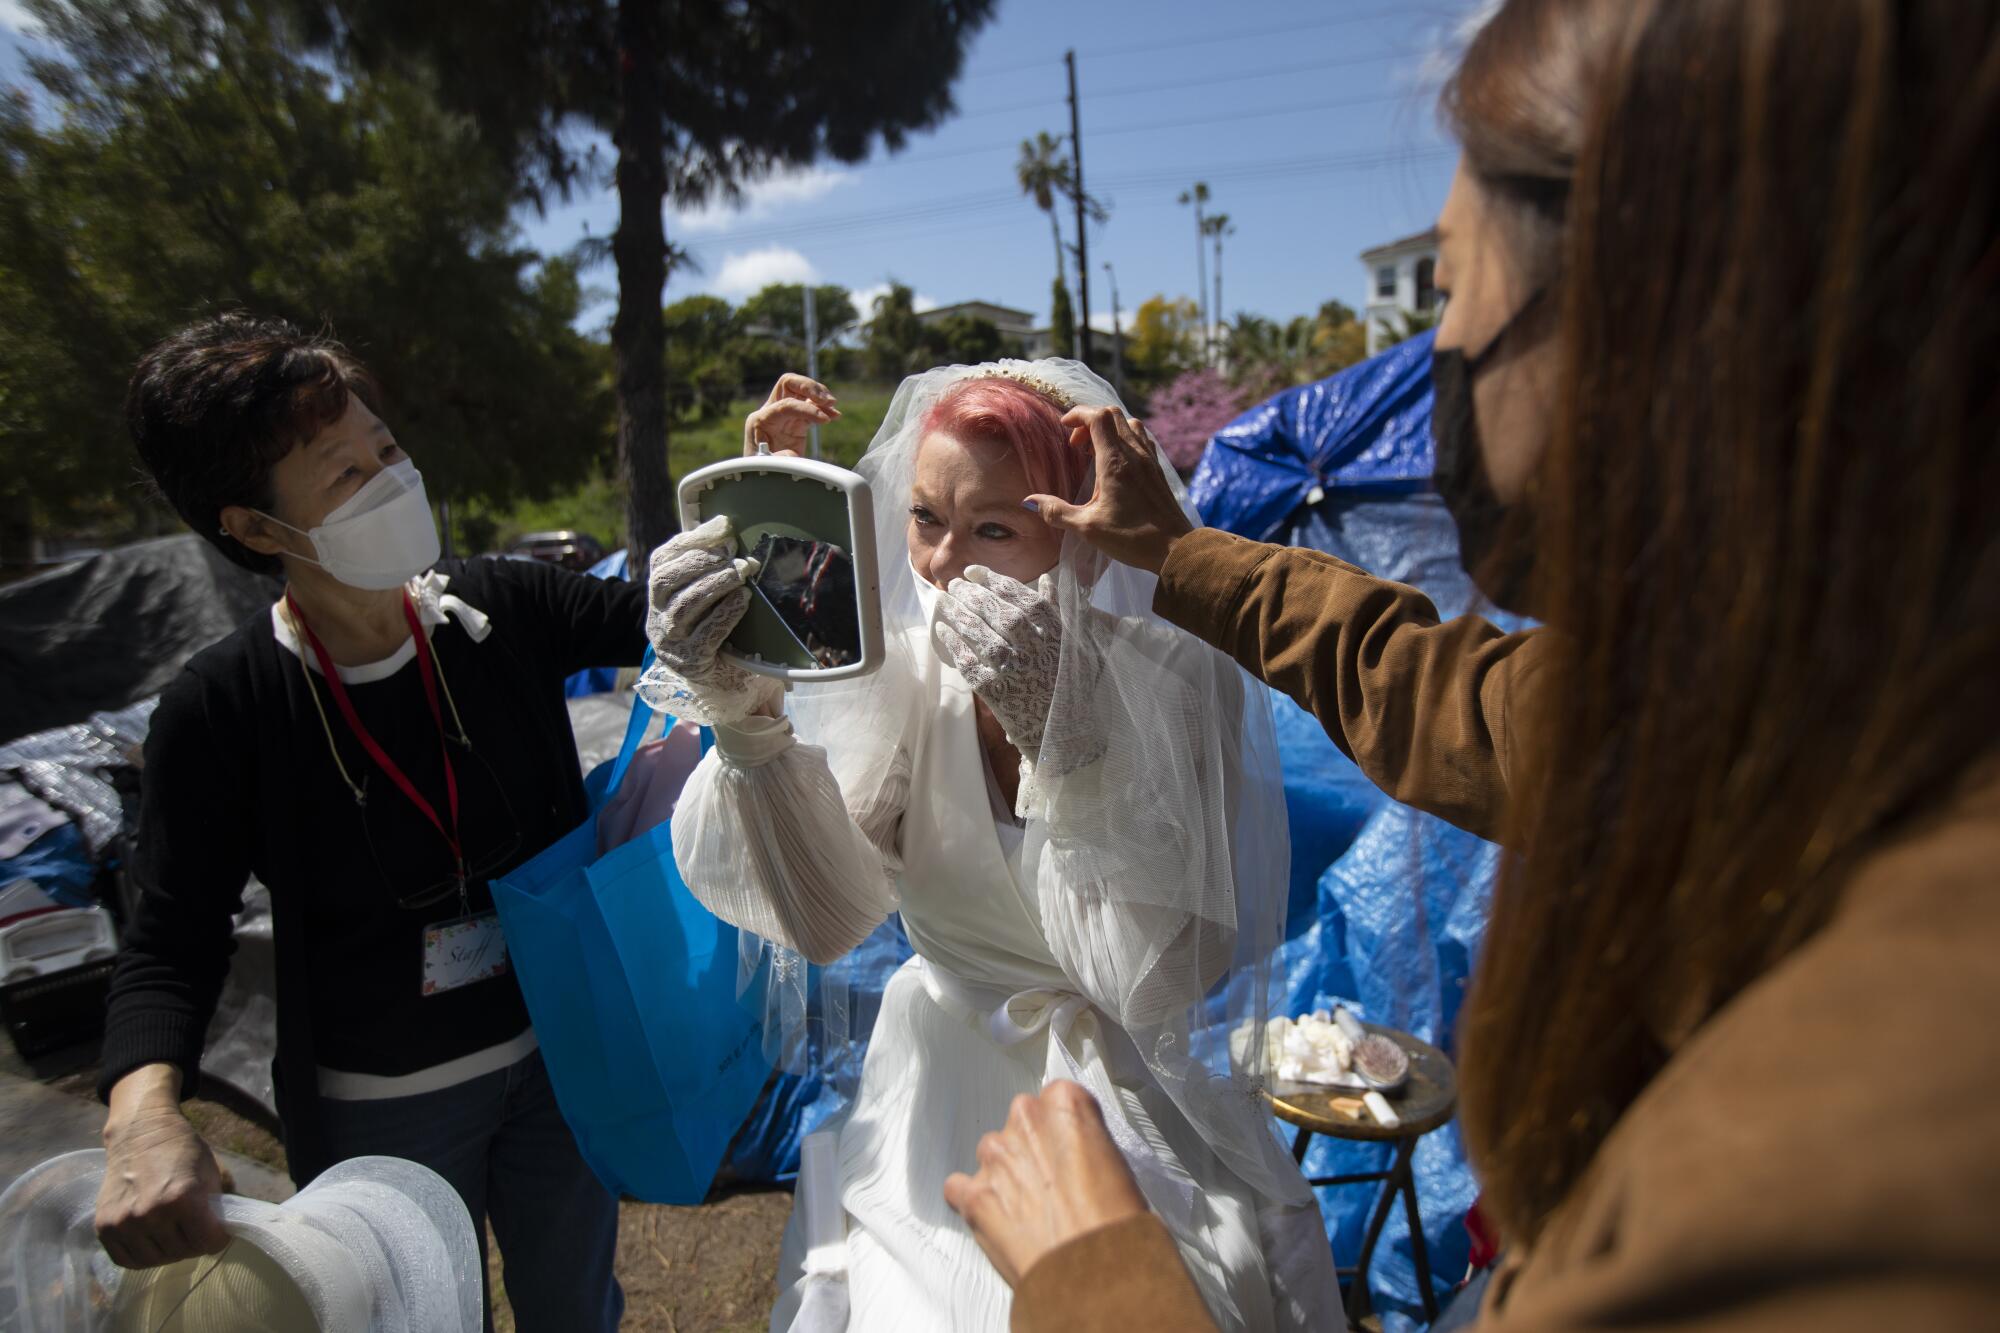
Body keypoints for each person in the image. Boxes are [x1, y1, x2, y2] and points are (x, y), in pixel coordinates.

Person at [945, 0, 2000, 1329]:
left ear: (1646, 325)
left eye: (1449, 285)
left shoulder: (1873, 1114)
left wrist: (1096, 1274)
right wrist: (1182, 558)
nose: (1432, 350)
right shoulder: (1795, 708)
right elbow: (1449, 691)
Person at [643, 364, 1339, 1331]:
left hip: (1112, 1104)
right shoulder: (906, 666)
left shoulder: (1173, 674)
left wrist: (1074, 742)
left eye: (995, 530)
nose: (938, 566)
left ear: (1081, 530)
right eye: (926, 518)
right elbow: (828, 914)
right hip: (933, 1089)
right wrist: (748, 716)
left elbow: (1157, 972)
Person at [95, 314, 637, 1330]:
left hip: (557, 1061)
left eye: (385, 450)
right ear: (256, 529)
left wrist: (757, 485)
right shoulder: (224, 708)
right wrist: (142, 1114)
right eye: (342, 475)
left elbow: (679, 616)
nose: (390, 480)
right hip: (381, 1112)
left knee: (576, 1307)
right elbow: (168, 941)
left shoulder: (502, 612)